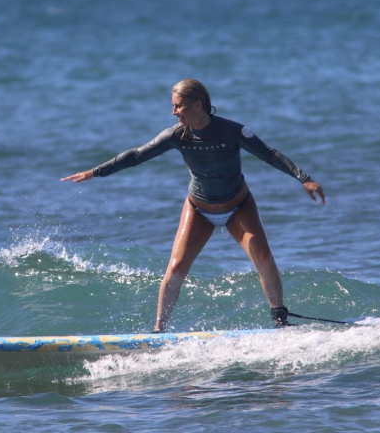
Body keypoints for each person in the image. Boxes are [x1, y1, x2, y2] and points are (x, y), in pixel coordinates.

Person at [61, 79, 325, 331]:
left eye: (179, 106)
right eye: (173, 105)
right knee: (175, 268)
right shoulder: (176, 135)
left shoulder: (232, 131)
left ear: (198, 105)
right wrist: (96, 171)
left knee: (263, 257)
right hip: (199, 209)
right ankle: (158, 331)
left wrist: (304, 178)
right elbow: (138, 155)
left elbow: (269, 154)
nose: (174, 112)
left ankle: (280, 319)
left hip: (238, 206)